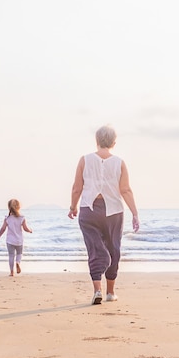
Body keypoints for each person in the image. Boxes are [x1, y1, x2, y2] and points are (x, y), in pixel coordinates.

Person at [68, 125, 139, 305]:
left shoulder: (84, 160)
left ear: (97, 141)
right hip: (113, 211)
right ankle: (110, 292)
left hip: (88, 210)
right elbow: (125, 190)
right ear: (114, 142)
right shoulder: (119, 162)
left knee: (94, 249)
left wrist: (73, 207)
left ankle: (97, 290)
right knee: (113, 248)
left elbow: (77, 188)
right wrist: (135, 213)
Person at [0, 199, 33, 276]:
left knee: (11, 255)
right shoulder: (22, 218)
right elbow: (25, 229)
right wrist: (30, 230)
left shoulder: (7, 218)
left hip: (10, 241)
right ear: (19, 207)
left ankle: (11, 272)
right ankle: (18, 262)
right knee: (19, 254)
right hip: (19, 241)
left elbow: (3, 229)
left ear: (9, 208)